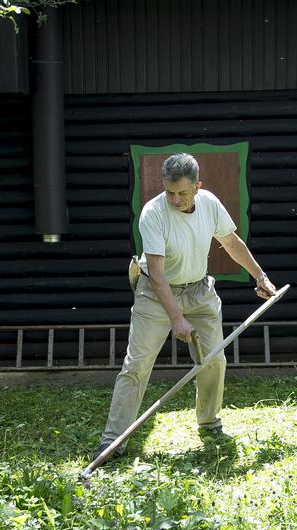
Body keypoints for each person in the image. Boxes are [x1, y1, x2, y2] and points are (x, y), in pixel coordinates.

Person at [94, 152, 277, 460]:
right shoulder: (153, 214)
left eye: (182, 192)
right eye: (169, 192)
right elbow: (157, 275)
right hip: (155, 292)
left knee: (214, 360)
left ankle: (209, 421)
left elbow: (231, 242)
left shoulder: (209, 204)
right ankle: (114, 439)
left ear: (197, 186)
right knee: (137, 364)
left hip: (199, 290)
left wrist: (260, 276)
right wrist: (176, 319)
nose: (175, 199)